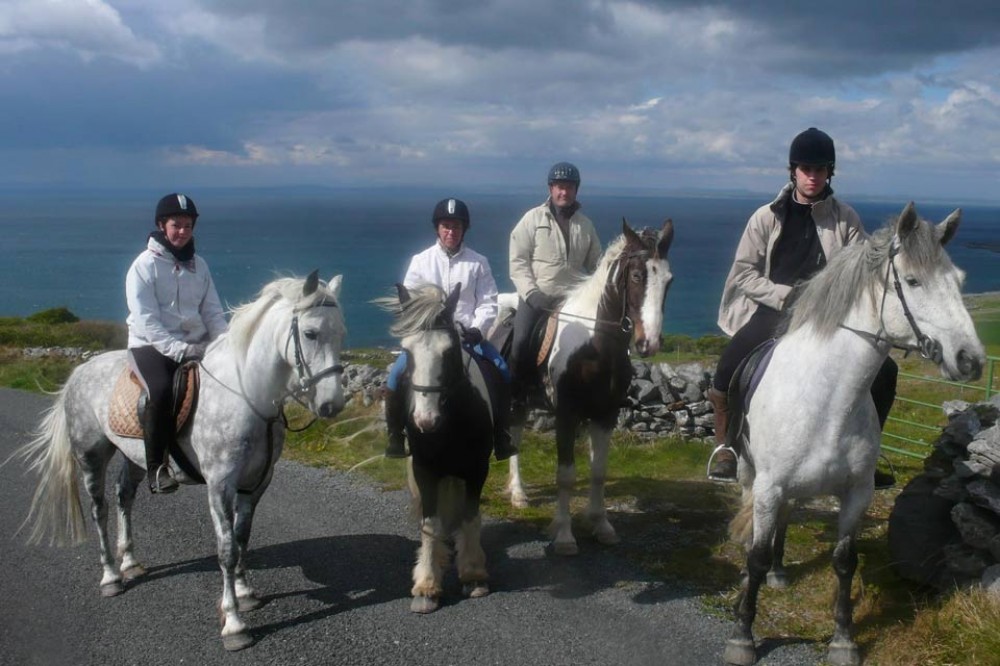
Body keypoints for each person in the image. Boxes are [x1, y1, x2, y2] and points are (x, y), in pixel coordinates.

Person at [707, 128, 897, 488]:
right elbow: (744, 273)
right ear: (793, 171)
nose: (813, 175)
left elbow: (864, 270)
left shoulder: (846, 219)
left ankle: (869, 454)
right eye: (806, 168)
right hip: (775, 311)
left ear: (830, 173)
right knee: (728, 366)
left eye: (821, 169)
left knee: (886, 371)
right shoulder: (765, 217)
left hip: (829, 317)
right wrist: (784, 295)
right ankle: (727, 447)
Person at [384, 197, 516, 461]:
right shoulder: (420, 261)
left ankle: (501, 435)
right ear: (437, 228)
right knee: (395, 376)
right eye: (446, 226)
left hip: (467, 337)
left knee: (502, 370)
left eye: (456, 226)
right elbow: (409, 304)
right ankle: (395, 436)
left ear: (463, 229)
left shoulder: (478, 263)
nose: (451, 232)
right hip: (428, 341)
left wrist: (478, 328)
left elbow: (488, 301)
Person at [126, 193, 228, 494]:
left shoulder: (200, 265)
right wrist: (180, 350)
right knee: (159, 391)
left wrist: (224, 343)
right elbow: (147, 321)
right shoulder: (143, 266)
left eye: (187, 225)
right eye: (176, 225)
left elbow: (212, 311)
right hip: (150, 346)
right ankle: (157, 468)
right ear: (161, 225)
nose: (182, 231)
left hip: (197, 344)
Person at [508, 162, 602, 420]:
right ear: (551, 188)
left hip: (572, 300)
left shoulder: (586, 225)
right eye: (560, 187)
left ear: (576, 190)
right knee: (521, 342)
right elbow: (518, 262)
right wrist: (531, 293)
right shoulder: (532, 219)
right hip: (537, 298)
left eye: (569, 187)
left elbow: (597, 266)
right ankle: (519, 395)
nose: (564, 192)